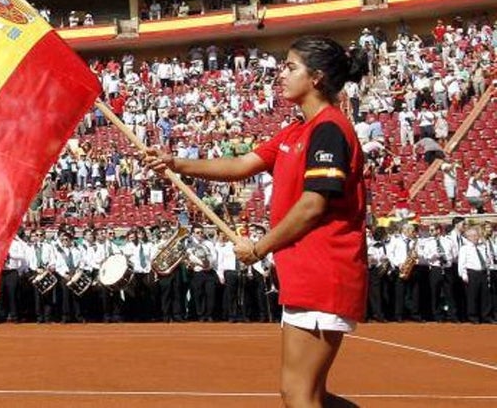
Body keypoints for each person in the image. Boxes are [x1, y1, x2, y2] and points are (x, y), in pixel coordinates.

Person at [145, 36, 368, 408]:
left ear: (315, 78)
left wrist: (260, 247)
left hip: (323, 269)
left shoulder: (328, 128)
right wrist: (175, 163)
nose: (280, 74)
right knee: (308, 393)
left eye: (290, 67)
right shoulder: (296, 130)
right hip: (306, 272)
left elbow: (314, 204)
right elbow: (241, 165)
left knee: (299, 394)